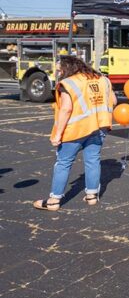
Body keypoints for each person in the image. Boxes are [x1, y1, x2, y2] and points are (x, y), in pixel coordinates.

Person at [33, 56, 116, 211]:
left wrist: (57, 135)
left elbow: (66, 109)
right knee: (93, 160)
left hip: (76, 129)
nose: (58, 73)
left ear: (68, 68)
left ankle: (53, 201)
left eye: (60, 70)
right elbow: (114, 101)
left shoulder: (69, 83)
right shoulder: (102, 80)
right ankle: (92, 196)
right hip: (99, 127)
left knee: (63, 163)